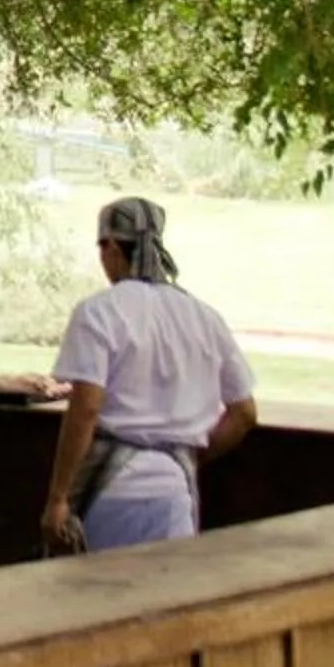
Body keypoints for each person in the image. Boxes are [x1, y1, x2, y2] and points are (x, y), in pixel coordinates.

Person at [39, 196, 256, 554]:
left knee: (102, 599)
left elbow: (86, 408)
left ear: (110, 246)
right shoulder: (204, 316)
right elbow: (244, 413)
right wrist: (186, 453)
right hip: (175, 490)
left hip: (113, 491)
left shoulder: (98, 312)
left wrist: (58, 497)